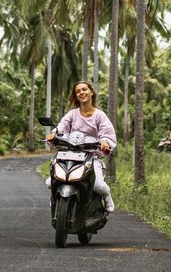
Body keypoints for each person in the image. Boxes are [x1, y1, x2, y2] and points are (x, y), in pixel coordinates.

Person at [46, 81, 117, 212]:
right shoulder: (73, 114)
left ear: (91, 92)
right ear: (76, 96)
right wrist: (54, 133)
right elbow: (62, 126)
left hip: (90, 156)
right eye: (78, 91)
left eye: (84, 89)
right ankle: (55, 198)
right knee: (50, 182)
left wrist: (105, 141)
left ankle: (107, 197)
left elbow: (106, 132)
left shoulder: (100, 115)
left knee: (99, 186)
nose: (81, 92)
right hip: (69, 154)